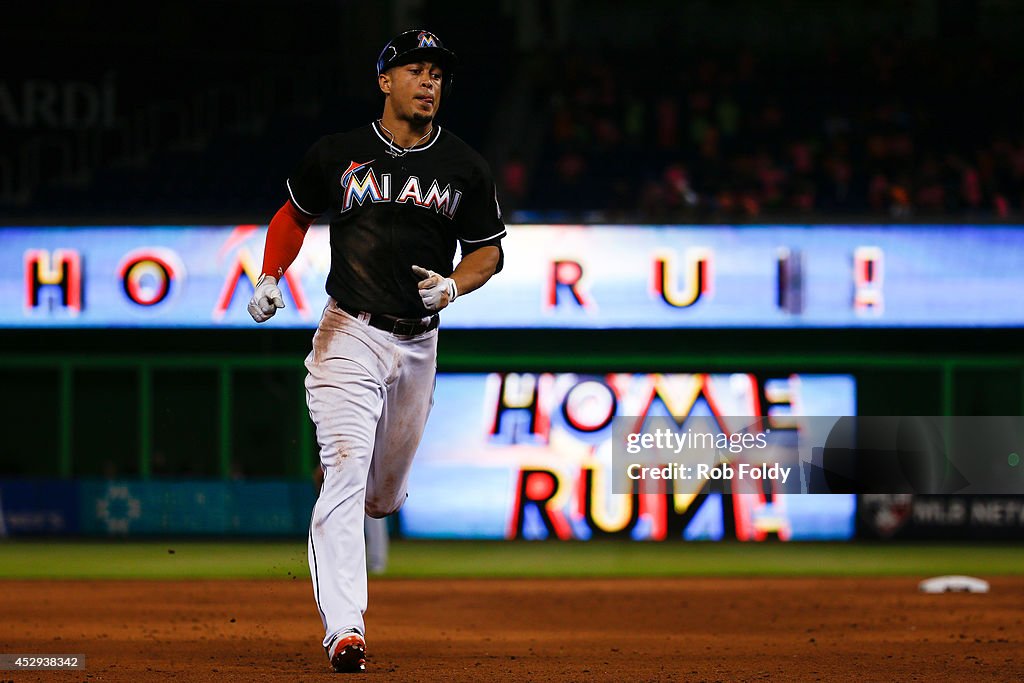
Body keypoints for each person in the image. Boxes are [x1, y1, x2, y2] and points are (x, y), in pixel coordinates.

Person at [246, 29, 505, 673]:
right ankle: (345, 629)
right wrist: (271, 273)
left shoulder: (465, 167)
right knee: (345, 472)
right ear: (385, 81)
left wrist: (456, 283)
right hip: (349, 333)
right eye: (416, 70)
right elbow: (294, 214)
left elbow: (489, 251)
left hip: (419, 342)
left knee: (382, 497)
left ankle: (361, 511)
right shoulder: (339, 154)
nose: (429, 83)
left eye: (438, 74)